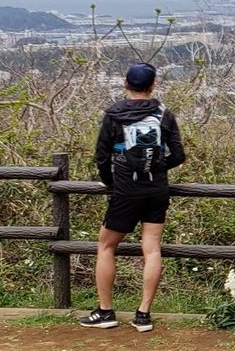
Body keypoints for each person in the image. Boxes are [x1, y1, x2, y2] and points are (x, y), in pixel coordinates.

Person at [80, 62, 186, 333]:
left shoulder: (114, 115)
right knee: (151, 249)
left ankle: (105, 311)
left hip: (126, 189)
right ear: (153, 86)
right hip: (156, 189)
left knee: (106, 246)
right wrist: (157, 166)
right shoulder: (164, 114)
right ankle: (143, 315)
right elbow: (179, 155)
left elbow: (101, 156)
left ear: (126, 84)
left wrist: (111, 182)